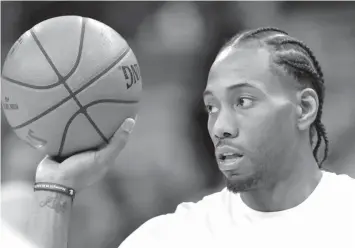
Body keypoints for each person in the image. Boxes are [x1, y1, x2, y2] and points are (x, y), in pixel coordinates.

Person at [27, 27, 355, 248]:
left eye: (243, 101)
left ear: (305, 108)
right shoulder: (178, 236)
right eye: (212, 107)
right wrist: (55, 189)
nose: (220, 126)